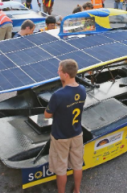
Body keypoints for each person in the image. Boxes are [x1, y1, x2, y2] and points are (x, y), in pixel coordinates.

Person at [44, 59, 86, 193]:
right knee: (77, 165)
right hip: (77, 133)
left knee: (61, 168)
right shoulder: (82, 89)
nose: (57, 72)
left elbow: (47, 115)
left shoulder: (58, 95)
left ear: (66, 74)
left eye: (59, 70)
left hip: (60, 137)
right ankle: (77, 190)